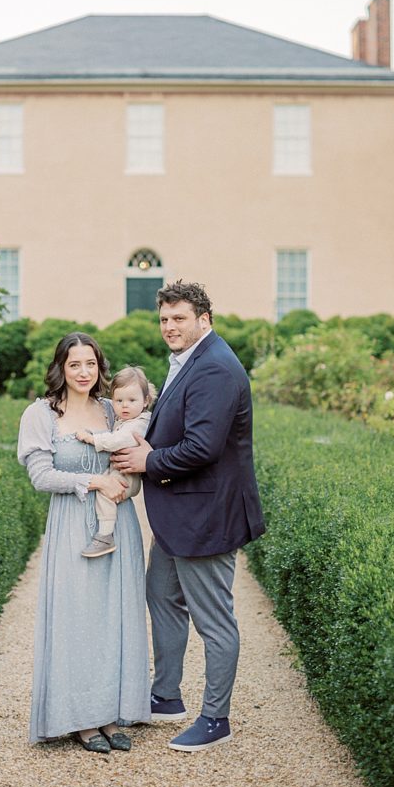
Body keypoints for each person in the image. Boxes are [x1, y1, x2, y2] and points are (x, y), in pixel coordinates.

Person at [113, 280, 266, 753]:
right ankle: (166, 695)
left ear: (204, 319)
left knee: (215, 622)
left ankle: (216, 719)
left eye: (179, 318)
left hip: (207, 516)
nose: (169, 327)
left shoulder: (216, 367)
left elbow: (202, 447)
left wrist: (146, 461)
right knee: (159, 592)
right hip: (180, 516)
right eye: (164, 319)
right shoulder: (192, 360)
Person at [17, 333, 151, 753]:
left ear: (99, 368)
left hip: (119, 526)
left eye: (90, 364)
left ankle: (111, 713)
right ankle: (79, 718)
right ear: (61, 367)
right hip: (72, 525)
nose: (83, 372)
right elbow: (41, 477)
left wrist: (124, 488)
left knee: (115, 616)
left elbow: (135, 465)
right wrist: (93, 481)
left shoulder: (115, 410)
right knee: (77, 619)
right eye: (74, 364)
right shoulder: (41, 414)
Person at [76, 366, 155, 558]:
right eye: (118, 400)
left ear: (145, 401)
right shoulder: (126, 420)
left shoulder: (139, 423)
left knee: (105, 493)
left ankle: (105, 534)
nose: (124, 406)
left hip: (126, 476)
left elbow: (116, 441)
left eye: (131, 400)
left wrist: (91, 439)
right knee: (102, 484)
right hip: (122, 471)